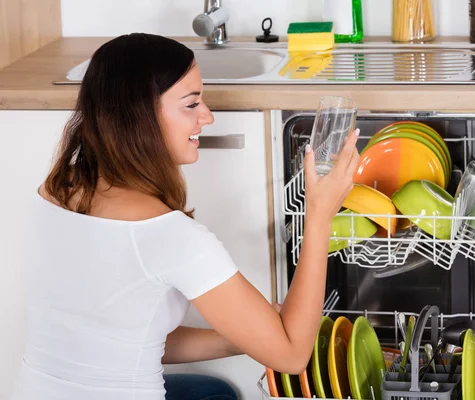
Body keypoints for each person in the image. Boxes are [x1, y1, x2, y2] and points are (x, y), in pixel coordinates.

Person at [10, 33, 360, 400]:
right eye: (191, 104)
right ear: (138, 115)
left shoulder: (56, 190)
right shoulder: (173, 237)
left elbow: (128, 338)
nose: (207, 116)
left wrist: (249, 334)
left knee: (211, 391)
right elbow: (291, 356)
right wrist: (319, 217)